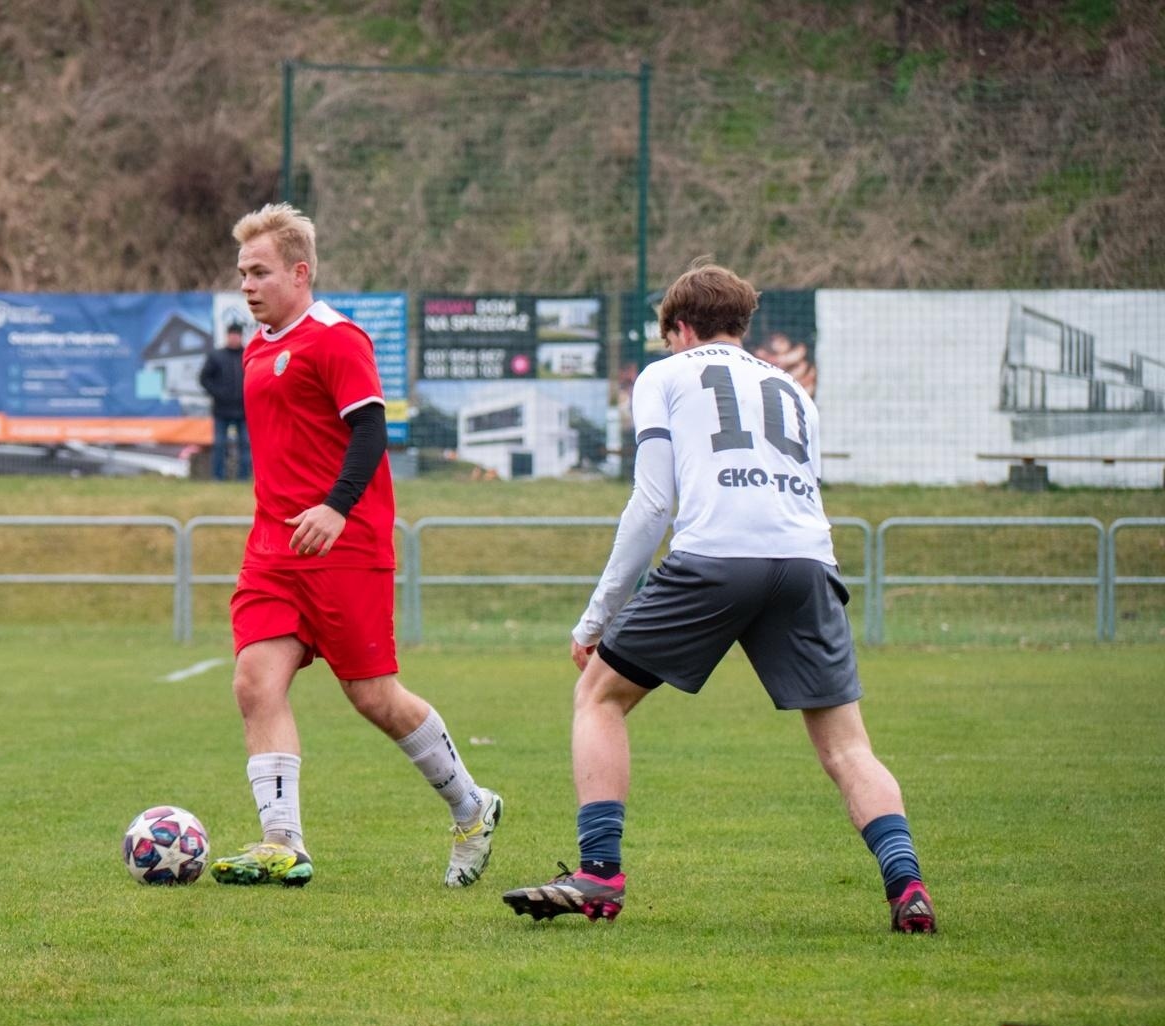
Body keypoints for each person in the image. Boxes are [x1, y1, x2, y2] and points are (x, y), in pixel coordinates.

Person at [501, 262, 935, 933]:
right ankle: (908, 885)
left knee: (599, 695)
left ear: (678, 328)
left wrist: (596, 617)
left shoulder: (665, 374)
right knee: (848, 747)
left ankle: (600, 872)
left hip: (716, 556)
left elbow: (653, 503)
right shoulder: (794, 390)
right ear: (741, 324)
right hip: (807, 561)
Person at [210, 202, 503, 888]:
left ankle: (472, 807)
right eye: (242, 272)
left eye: (260, 272)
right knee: (255, 682)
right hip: (274, 550)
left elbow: (372, 432)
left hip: (345, 546)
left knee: (372, 695)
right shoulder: (256, 347)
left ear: (300, 273)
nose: (247, 285)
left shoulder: (338, 339)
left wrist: (337, 508)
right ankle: (282, 842)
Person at [198, 323, 251, 481]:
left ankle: (244, 476)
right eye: (232, 335)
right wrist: (218, 393)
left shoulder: (248, 354)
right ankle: (218, 476)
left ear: (241, 336)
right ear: (227, 336)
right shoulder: (216, 356)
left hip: (243, 410)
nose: (234, 338)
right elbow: (204, 379)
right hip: (221, 410)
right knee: (220, 444)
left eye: (237, 335)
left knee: (245, 444)